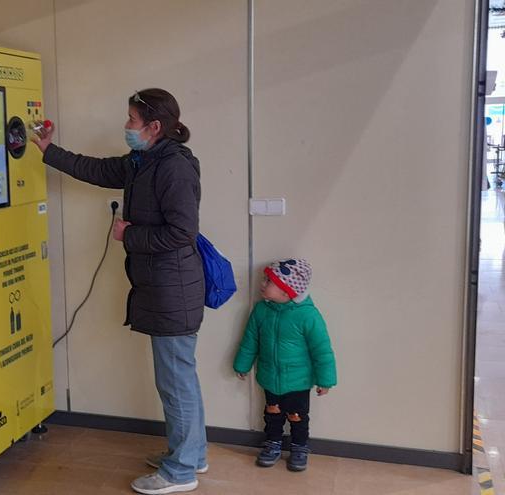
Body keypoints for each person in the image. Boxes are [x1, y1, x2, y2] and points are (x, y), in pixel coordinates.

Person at [32, 88, 206, 494]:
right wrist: (47, 149)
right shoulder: (143, 161)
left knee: (175, 382)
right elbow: (97, 170)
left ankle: (181, 472)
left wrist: (130, 234)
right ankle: (192, 454)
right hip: (163, 286)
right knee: (180, 379)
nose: (126, 126)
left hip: (172, 289)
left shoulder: (174, 168)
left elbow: (183, 233)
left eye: (131, 120)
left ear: (155, 126)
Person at [232, 259, 337, 472]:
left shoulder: (308, 315)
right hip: (270, 377)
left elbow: (322, 349)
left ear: (286, 291)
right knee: (272, 412)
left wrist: (325, 380)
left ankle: (299, 446)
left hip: (298, 381)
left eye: (269, 281)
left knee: (297, 416)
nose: (262, 284)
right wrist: (242, 364)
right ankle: (273, 442)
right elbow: (250, 340)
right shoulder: (261, 311)